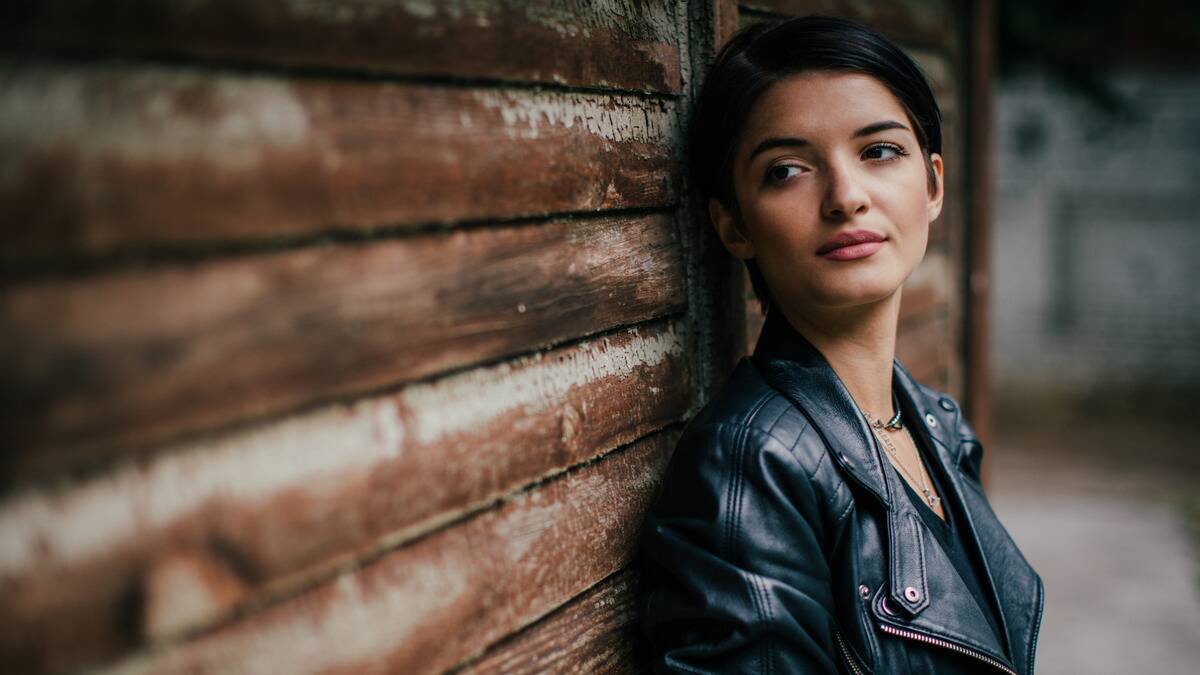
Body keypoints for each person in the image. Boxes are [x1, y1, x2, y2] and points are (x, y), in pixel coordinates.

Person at [638, 16, 1044, 675]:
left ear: (933, 184)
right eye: (787, 170)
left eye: (879, 151)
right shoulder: (753, 464)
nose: (847, 197)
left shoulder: (931, 422)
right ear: (734, 225)